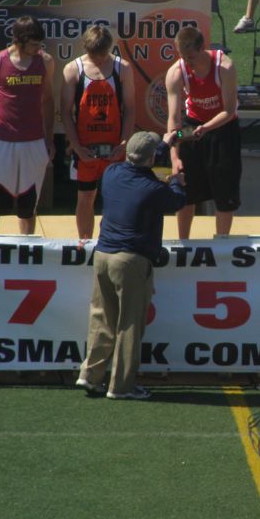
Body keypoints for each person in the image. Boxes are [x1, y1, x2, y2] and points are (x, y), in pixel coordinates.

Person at [76, 129, 185, 400]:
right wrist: (177, 181)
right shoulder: (153, 189)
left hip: (102, 256)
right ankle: (121, 386)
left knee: (101, 319)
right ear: (151, 159)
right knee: (129, 325)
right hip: (130, 261)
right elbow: (177, 200)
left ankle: (90, 376)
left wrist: (164, 143)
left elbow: (142, 165)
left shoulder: (111, 174)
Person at [0, 16, 55, 235]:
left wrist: (49, 139)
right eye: (34, 44)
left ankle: (26, 254)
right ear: (19, 40)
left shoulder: (45, 61)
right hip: (2, 142)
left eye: (40, 44)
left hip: (33, 143)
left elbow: (48, 100)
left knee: (28, 206)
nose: (38, 49)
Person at [165, 26, 241, 239]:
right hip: (191, 128)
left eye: (190, 57)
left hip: (222, 128)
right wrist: (174, 158)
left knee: (225, 192)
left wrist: (206, 128)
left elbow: (228, 110)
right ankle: (183, 242)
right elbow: (173, 119)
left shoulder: (224, 66)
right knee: (186, 191)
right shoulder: (176, 72)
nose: (187, 62)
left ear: (202, 48)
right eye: (182, 57)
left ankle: (222, 242)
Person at [61, 25, 135, 239]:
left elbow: (130, 110)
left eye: (103, 55)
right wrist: (76, 147)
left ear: (110, 48)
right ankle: (85, 242)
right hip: (85, 149)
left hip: (115, 147)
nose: (100, 60)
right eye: (95, 56)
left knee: (117, 197)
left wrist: (123, 144)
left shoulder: (123, 68)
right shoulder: (73, 69)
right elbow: (65, 112)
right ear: (86, 49)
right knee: (85, 196)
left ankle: (113, 241)